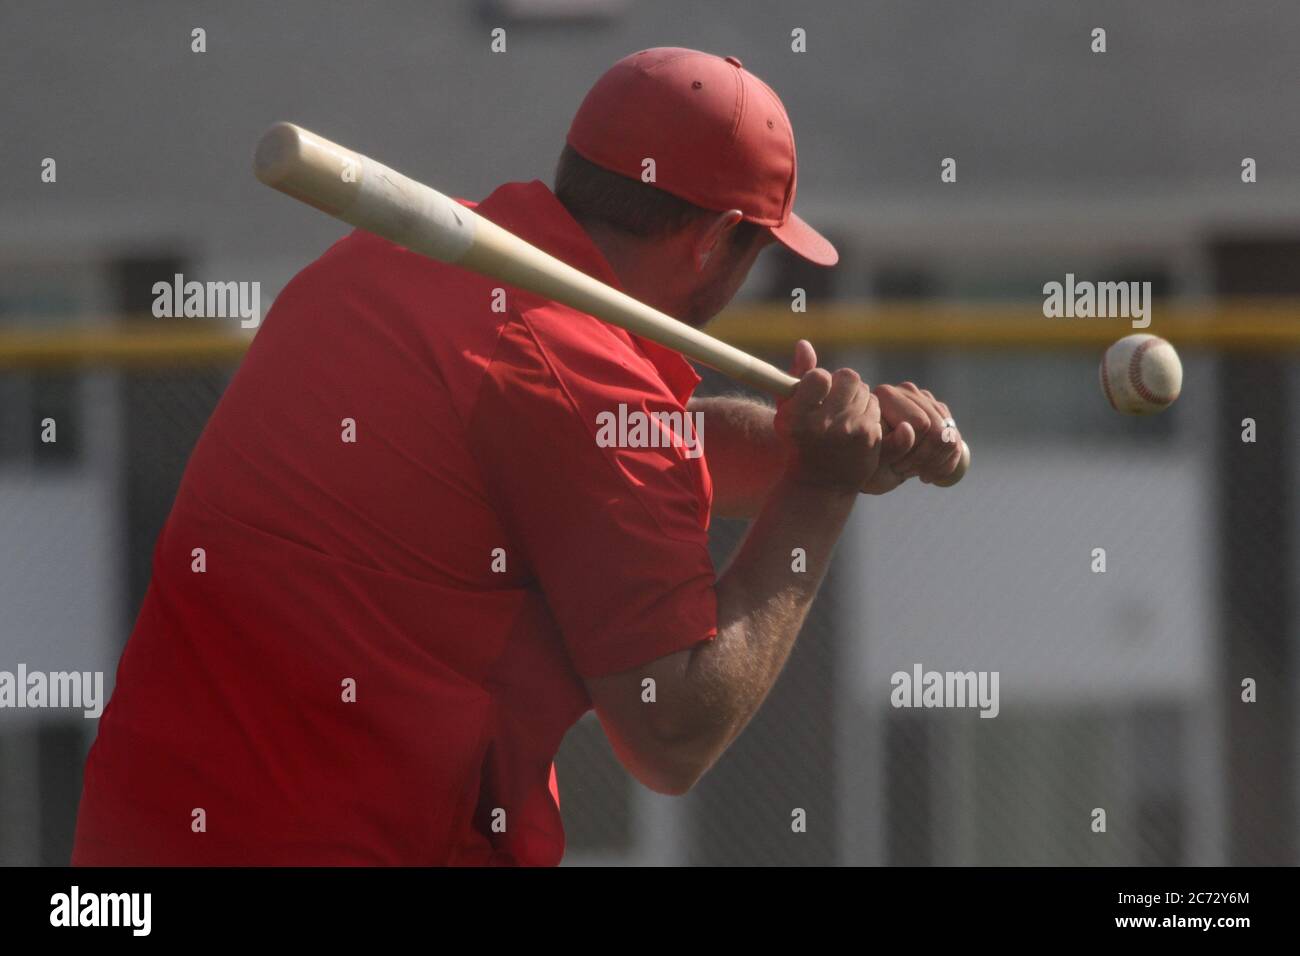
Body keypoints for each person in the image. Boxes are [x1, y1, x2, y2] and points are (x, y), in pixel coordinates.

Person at [73, 47, 963, 866]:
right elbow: (671, 734)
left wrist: (804, 447)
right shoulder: (579, 376)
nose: (753, 277)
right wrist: (817, 493)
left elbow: (593, 468)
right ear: (710, 238)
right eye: (758, 249)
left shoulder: (399, 257)